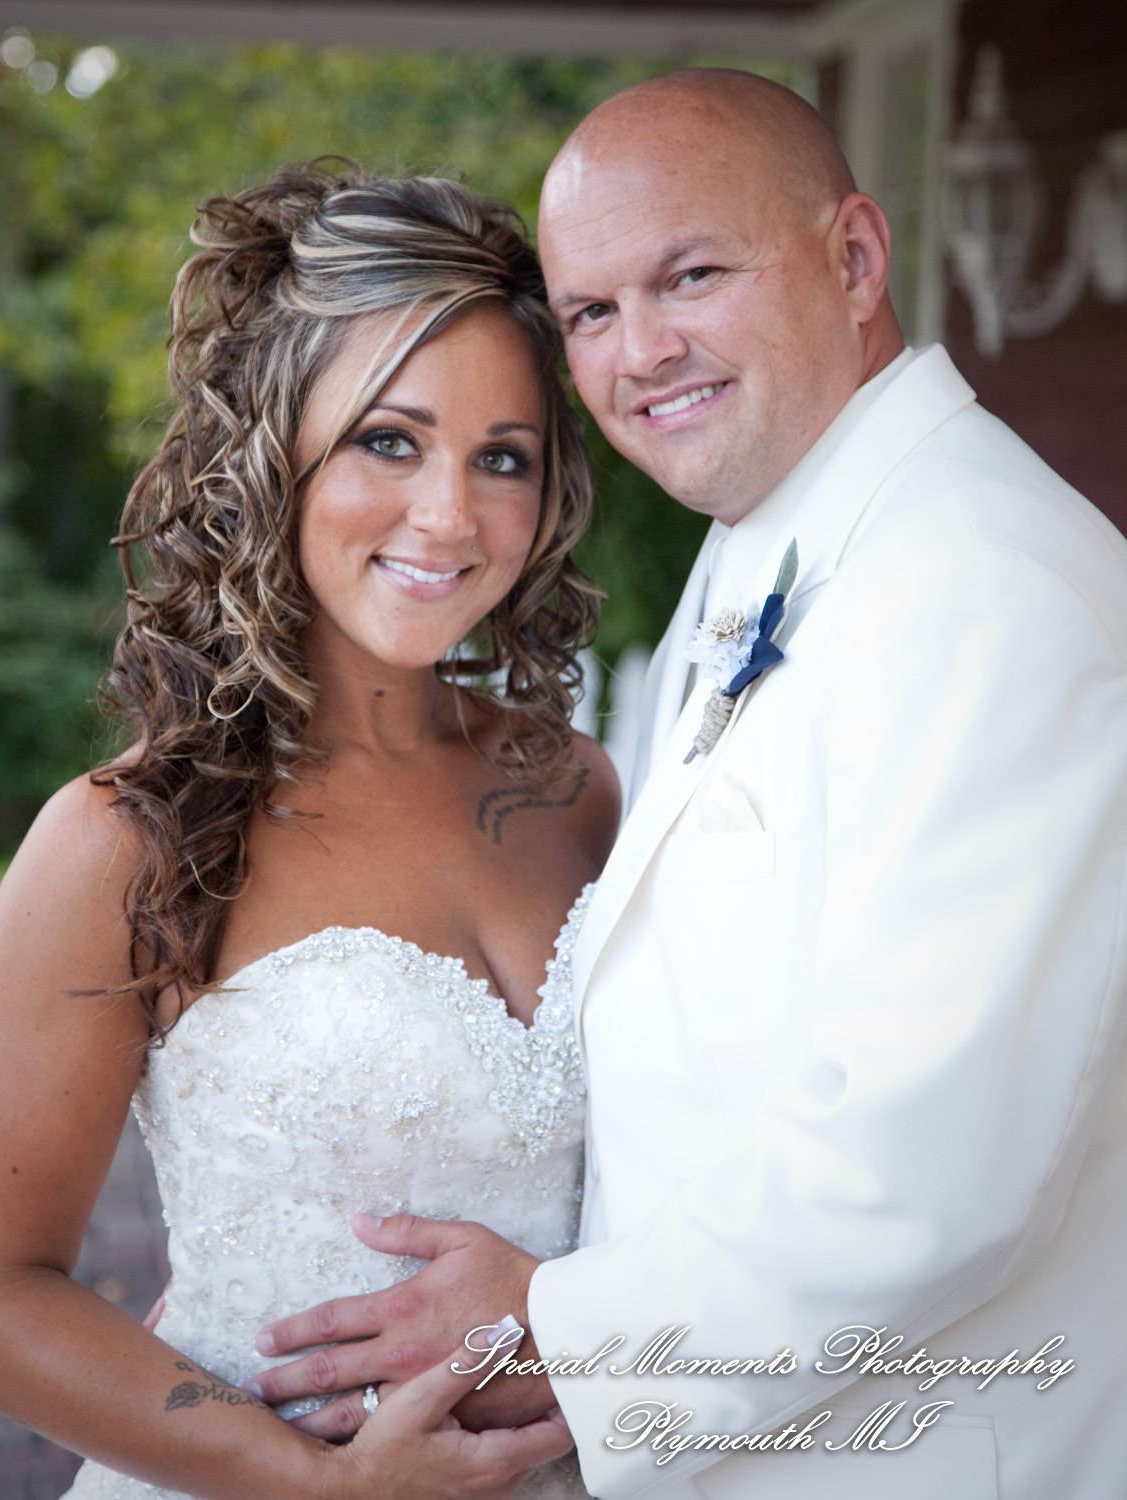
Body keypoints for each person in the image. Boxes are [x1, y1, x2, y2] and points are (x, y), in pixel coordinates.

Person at [245, 71, 1127, 1500]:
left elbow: (930, 1180)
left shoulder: (984, 591)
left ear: (854, 259)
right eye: (589, 312)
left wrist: (551, 1328)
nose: (640, 349)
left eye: (691, 277)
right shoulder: (775, 534)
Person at [0, 164, 622, 1500]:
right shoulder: (130, 835)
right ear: (273, 445)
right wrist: (318, 1483)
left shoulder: (582, 791)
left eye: (502, 458)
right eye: (388, 440)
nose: (449, 516)